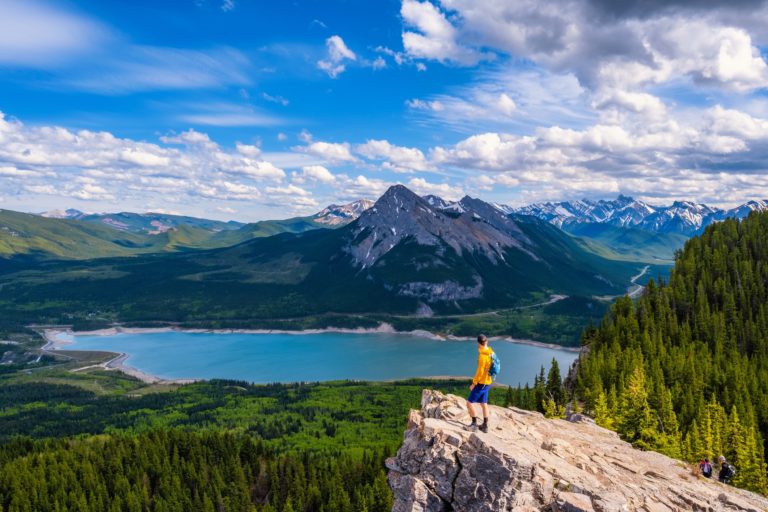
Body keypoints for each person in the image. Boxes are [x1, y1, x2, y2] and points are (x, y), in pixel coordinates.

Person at [464, 334, 493, 433]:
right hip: (488, 382)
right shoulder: (491, 352)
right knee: (483, 403)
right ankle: (485, 426)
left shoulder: (482, 356)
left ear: (478, 344)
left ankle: (474, 425)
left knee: (469, 403)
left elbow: (480, 372)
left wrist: (474, 383)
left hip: (481, 384)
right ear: (487, 342)